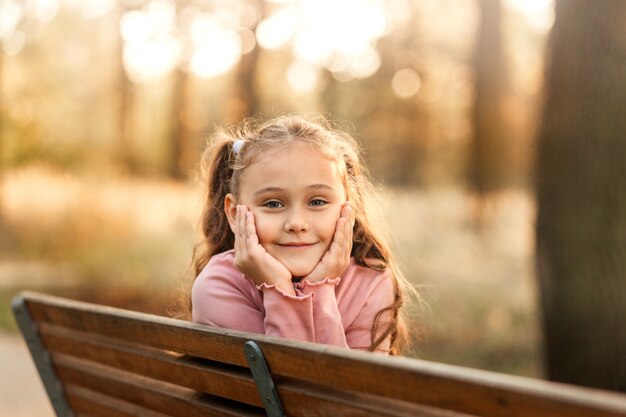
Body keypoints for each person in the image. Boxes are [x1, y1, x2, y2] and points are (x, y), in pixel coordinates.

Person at [190, 114, 412, 354]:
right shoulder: (219, 286)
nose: (297, 223)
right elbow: (297, 384)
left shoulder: (370, 282)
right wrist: (279, 288)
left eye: (317, 202)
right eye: (273, 204)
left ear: (348, 208)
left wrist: (319, 286)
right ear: (234, 214)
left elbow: (354, 389)